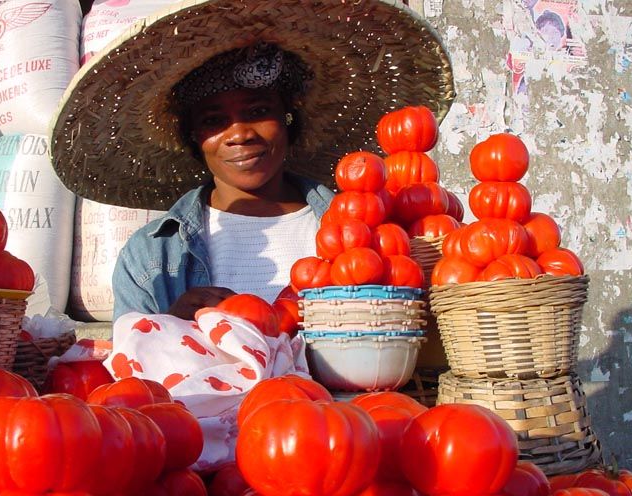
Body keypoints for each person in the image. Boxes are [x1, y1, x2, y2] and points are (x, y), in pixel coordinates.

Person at [48, 0, 457, 324]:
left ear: (287, 119)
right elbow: (133, 381)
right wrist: (169, 329)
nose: (239, 133)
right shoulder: (151, 256)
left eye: (258, 111)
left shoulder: (366, 231)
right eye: (213, 120)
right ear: (195, 137)